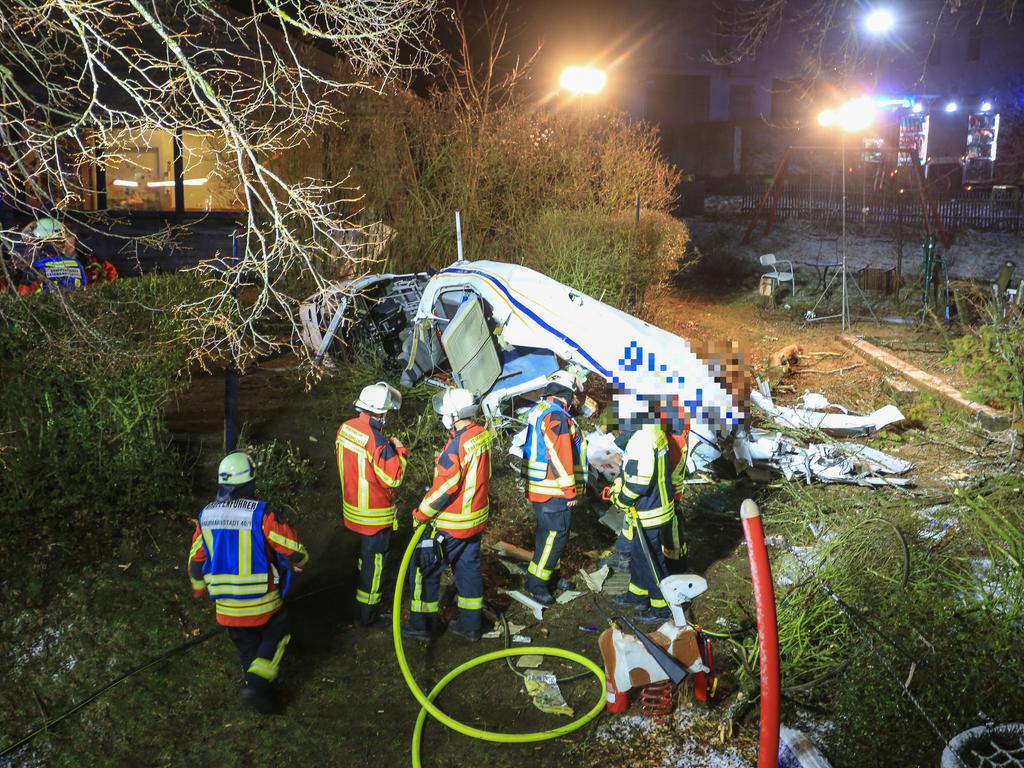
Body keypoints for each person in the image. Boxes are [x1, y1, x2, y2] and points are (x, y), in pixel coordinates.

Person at [188, 451, 309, 714]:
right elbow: (294, 550)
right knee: (279, 634)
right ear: (249, 483)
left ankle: (263, 703)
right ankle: (255, 686)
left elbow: (195, 560)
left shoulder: (205, 516)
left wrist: (198, 585)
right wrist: (300, 561)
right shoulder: (261, 514)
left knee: (248, 651)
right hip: (263, 605)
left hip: (226, 610)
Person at [403, 388, 492, 643]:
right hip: (474, 521)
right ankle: (471, 626)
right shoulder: (480, 434)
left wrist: (421, 514)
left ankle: (422, 625)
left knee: (423, 571)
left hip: (451, 525)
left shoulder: (458, 444)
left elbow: (446, 486)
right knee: (468, 572)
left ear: (455, 415)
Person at [335, 380, 408, 626]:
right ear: (381, 413)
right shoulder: (376, 441)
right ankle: (367, 616)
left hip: (352, 510)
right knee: (375, 566)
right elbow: (394, 477)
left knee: (364, 558)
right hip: (374, 516)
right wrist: (399, 451)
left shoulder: (345, 428)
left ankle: (353, 600)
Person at [521, 369, 588, 605]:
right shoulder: (557, 417)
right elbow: (560, 456)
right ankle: (536, 584)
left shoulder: (542, 410)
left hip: (542, 488)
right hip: (554, 491)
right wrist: (569, 491)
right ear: (567, 395)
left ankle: (550, 574)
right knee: (555, 536)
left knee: (547, 537)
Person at [609, 408, 676, 624]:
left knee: (651, 560)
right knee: (640, 555)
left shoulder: (640, 441)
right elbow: (632, 471)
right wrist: (620, 482)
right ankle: (637, 596)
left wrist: (621, 500)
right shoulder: (651, 429)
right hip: (655, 507)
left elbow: (638, 483)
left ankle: (663, 607)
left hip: (650, 511)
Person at [15, 218, 87, 295]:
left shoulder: (37, 268)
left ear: (40, 243)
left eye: (33, 244)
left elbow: (23, 297)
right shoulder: (77, 265)